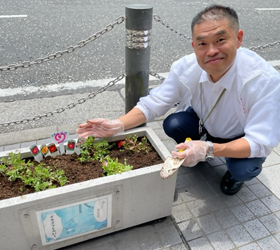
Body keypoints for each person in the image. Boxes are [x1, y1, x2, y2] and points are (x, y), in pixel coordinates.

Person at [76, 4, 280, 195]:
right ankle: (198, 152)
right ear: (193, 45)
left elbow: (259, 143)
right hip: (205, 123)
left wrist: (209, 149)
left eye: (220, 40)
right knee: (174, 123)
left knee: (243, 167)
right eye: (202, 43)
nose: (211, 51)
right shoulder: (186, 67)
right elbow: (154, 103)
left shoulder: (264, 81)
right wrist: (117, 125)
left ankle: (233, 175)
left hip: (240, 136)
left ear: (238, 38)